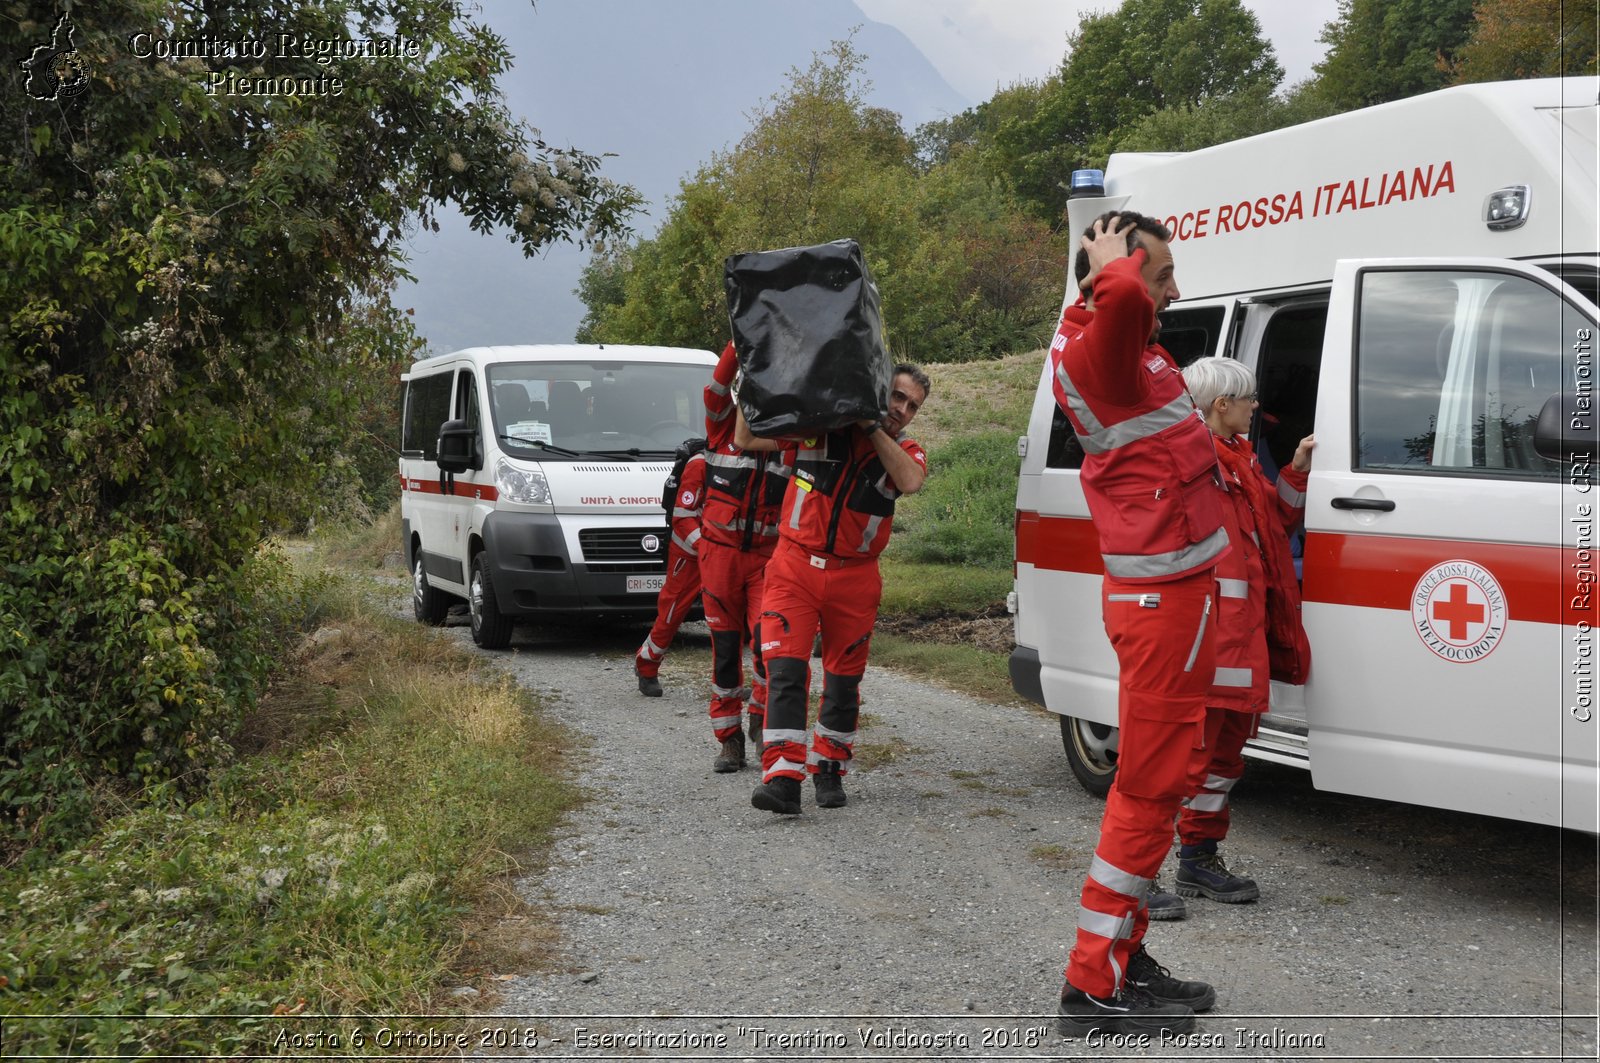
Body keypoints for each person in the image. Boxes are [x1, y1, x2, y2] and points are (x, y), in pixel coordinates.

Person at [1048, 212, 1229, 1037]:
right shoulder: (1101, 349)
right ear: (1114, 272)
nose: (1173, 290)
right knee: (1147, 790)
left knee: (1163, 785)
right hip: (1163, 610)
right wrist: (1111, 261)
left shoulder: (1132, 352)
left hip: (1178, 604)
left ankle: (1124, 954)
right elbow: (1119, 294)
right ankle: (1092, 985)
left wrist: (1124, 269)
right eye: (1161, 276)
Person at [734, 365, 929, 815]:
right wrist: (748, 383)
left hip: (855, 577)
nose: (901, 409)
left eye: (912, 405)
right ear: (878, 388)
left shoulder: (905, 450)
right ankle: (782, 777)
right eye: (896, 396)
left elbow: (911, 480)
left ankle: (829, 768)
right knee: (785, 670)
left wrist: (871, 426)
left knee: (844, 681)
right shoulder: (818, 431)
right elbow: (746, 438)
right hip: (793, 566)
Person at [1167, 356, 1313, 907]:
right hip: (1208, 641)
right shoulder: (1195, 461)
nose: (1257, 407)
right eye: (1248, 399)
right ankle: (1144, 873)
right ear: (1221, 406)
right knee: (1186, 761)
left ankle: (1198, 861)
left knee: (1225, 759)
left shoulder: (1238, 459)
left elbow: (1279, 520)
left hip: (1240, 637)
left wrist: (1296, 468)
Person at [698, 342, 793, 772]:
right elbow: (718, 386)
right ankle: (729, 740)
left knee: (769, 649)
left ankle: (759, 720)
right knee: (725, 651)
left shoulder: (789, 444)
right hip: (719, 559)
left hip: (767, 561)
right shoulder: (720, 430)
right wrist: (744, 338)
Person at [634, 442, 708, 697]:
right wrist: (705, 547)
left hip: (725, 554)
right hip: (689, 553)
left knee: (730, 620)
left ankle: (729, 685)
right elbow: (682, 516)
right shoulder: (700, 463)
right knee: (672, 612)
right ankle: (647, 665)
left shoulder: (752, 457)